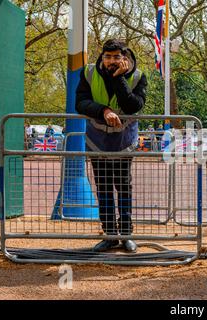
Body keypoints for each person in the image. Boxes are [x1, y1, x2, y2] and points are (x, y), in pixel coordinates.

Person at [75, 39, 148, 252]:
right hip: (97, 141)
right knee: (104, 188)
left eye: (116, 57)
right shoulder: (88, 73)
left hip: (124, 142)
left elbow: (133, 105)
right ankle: (109, 235)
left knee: (123, 188)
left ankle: (126, 235)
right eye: (108, 57)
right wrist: (104, 110)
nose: (111, 61)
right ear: (102, 56)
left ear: (124, 57)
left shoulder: (137, 76)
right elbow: (80, 103)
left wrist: (119, 79)